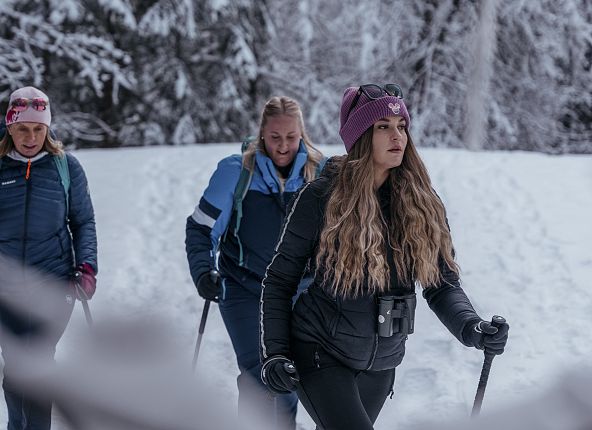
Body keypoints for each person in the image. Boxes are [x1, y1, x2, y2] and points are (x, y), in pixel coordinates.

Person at [259, 84, 510, 430]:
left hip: (381, 365)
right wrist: (275, 353)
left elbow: (441, 285)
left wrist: (472, 327)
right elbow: (279, 281)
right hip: (320, 352)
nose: (397, 136)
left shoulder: (423, 204)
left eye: (401, 126)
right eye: (383, 126)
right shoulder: (321, 199)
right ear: (361, 136)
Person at [185, 96, 325, 429]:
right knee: (262, 373)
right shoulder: (236, 172)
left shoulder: (319, 173)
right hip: (246, 289)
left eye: (291, 137)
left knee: (295, 373)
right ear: (262, 134)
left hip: (302, 292)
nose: (283, 146)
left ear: (301, 134)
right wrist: (204, 271)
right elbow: (200, 228)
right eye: (275, 137)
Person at [0, 86, 98, 429]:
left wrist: (87, 266)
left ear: (48, 128)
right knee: (14, 362)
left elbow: (83, 221)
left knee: (39, 359)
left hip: (55, 281)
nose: (31, 137)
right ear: (10, 127)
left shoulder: (65, 167)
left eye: (38, 128)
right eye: (23, 128)